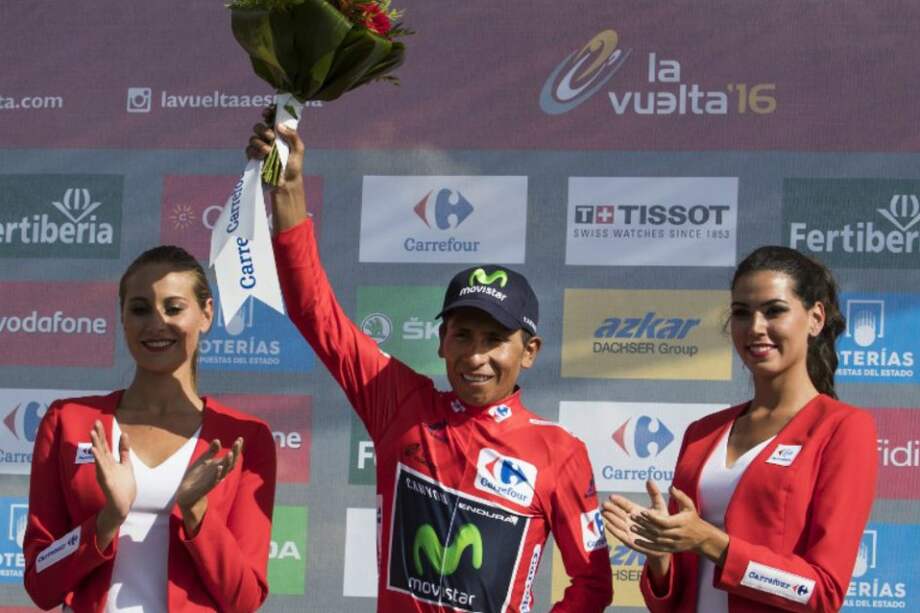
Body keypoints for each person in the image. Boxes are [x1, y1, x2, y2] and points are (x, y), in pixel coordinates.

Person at [248, 111, 613, 612]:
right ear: (442, 341)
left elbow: (593, 585)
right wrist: (287, 191)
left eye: (495, 339)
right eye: (463, 335)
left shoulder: (558, 451)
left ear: (529, 352)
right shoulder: (400, 401)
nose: (477, 355)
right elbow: (315, 312)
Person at [602, 246, 878, 612]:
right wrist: (661, 556)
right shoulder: (702, 433)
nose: (756, 328)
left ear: (815, 318)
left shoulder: (843, 428)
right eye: (741, 313)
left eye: (774, 311)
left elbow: (821, 592)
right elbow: (672, 597)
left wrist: (711, 542)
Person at [23, 246, 277, 612]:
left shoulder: (246, 439)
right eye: (140, 309)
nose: (156, 323)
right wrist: (107, 520)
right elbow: (39, 582)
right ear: (123, 317)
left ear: (206, 314)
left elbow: (244, 600)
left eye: (174, 308)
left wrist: (196, 511)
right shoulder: (68, 421)